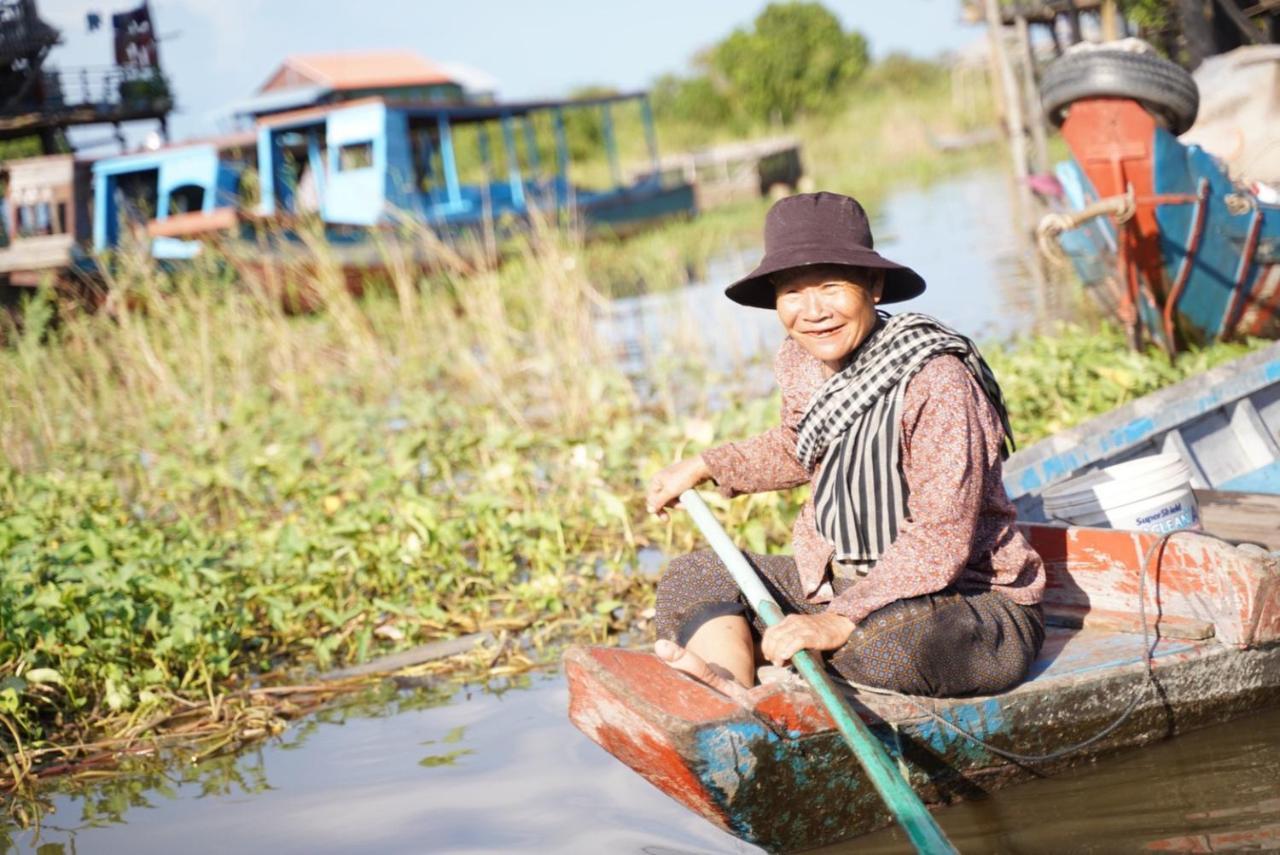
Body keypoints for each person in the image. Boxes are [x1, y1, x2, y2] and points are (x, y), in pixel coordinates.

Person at [645, 192, 1046, 701]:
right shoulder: (800, 360)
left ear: (873, 286)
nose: (812, 312)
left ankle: (798, 667)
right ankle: (731, 693)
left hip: (969, 604)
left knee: (885, 646)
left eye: (831, 287)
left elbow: (939, 541)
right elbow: (800, 445)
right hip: (851, 588)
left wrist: (837, 620)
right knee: (696, 573)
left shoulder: (936, 379)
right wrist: (706, 465)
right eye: (792, 292)